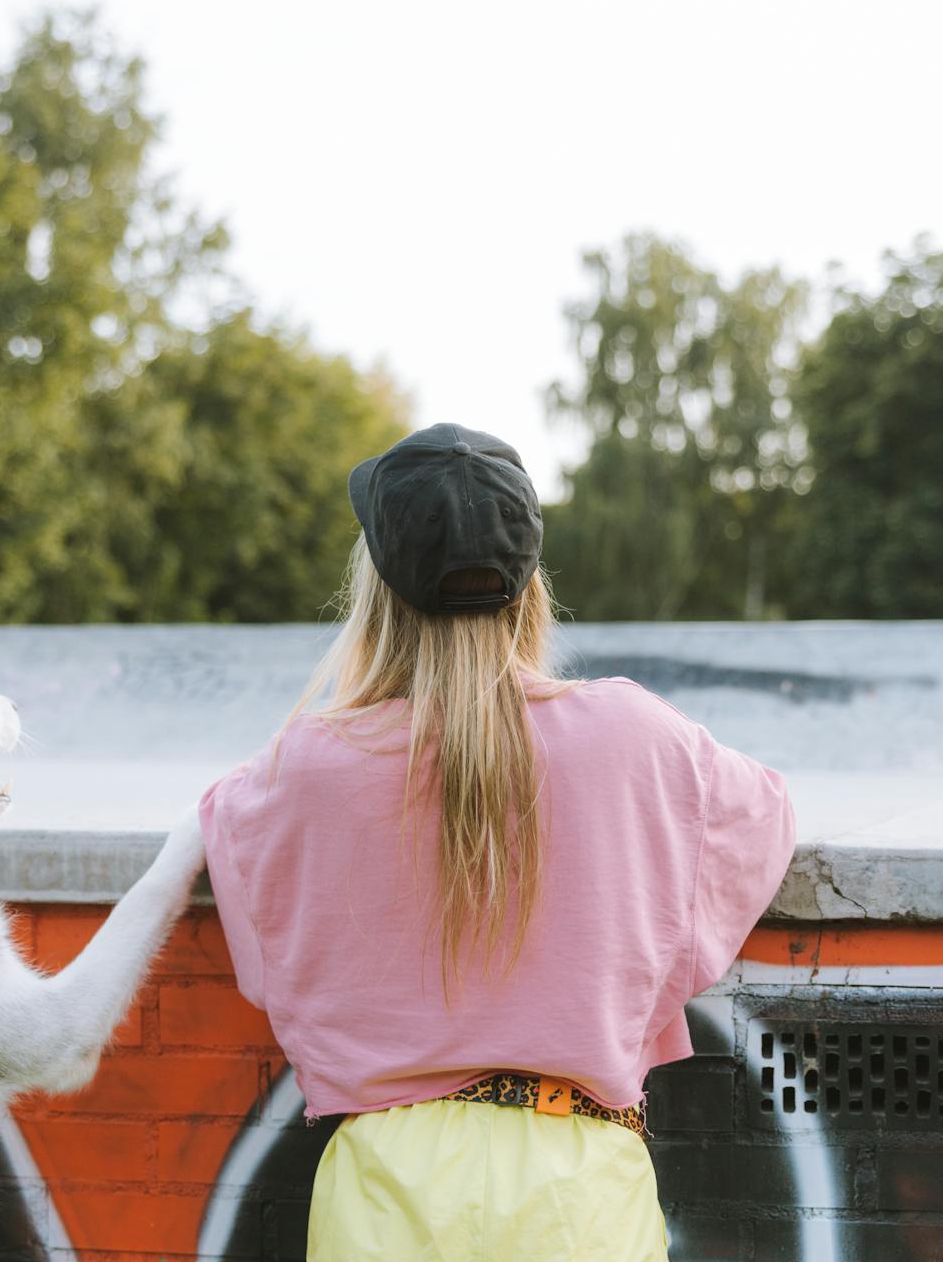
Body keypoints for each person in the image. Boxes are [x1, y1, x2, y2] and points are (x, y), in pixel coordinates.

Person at [197, 423, 796, 1261]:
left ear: (377, 589)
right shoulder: (635, 733)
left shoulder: (309, 762)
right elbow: (763, 816)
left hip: (382, 1190)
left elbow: (233, 847)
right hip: (580, 1185)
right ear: (528, 585)